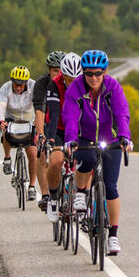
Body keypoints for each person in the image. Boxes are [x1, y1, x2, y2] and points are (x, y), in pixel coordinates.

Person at [62, 50, 133, 254]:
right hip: (85, 136)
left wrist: (124, 136)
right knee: (85, 157)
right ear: (83, 73)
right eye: (89, 73)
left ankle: (113, 235)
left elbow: (121, 112)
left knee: (111, 187)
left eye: (98, 73)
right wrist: (70, 139)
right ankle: (82, 192)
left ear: (105, 72)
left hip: (109, 139)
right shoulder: (75, 88)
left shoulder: (112, 87)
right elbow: (70, 115)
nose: (93, 78)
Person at [42, 52, 82, 222]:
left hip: (79, 129)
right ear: (62, 74)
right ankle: (52, 198)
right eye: (68, 78)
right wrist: (50, 139)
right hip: (57, 128)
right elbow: (54, 110)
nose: (72, 82)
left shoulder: (85, 84)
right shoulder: (54, 84)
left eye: (75, 78)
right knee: (56, 161)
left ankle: (85, 200)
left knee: (88, 162)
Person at [0, 66, 38, 202]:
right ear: (12, 81)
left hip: (28, 118)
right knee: (5, 130)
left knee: (32, 154)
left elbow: (40, 104)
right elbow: (0, 105)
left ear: (26, 82)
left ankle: (31, 187)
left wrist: (38, 122)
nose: (18, 87)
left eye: (21, 85)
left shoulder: (33, 86)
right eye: (15, 84)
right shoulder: (5, 88)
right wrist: (0, 121)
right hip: (11, 117)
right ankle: (7, 158)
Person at [32, 51, 66, 210]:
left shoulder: (71, 82)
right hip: (47, 123)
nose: (58, 74)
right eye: (54, 70)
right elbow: (40, 110)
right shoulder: (41, 84)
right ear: (49, 70)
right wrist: (40, 134)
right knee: (42, 153)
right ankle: (46, 195)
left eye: (60, 70)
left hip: (67, 124)